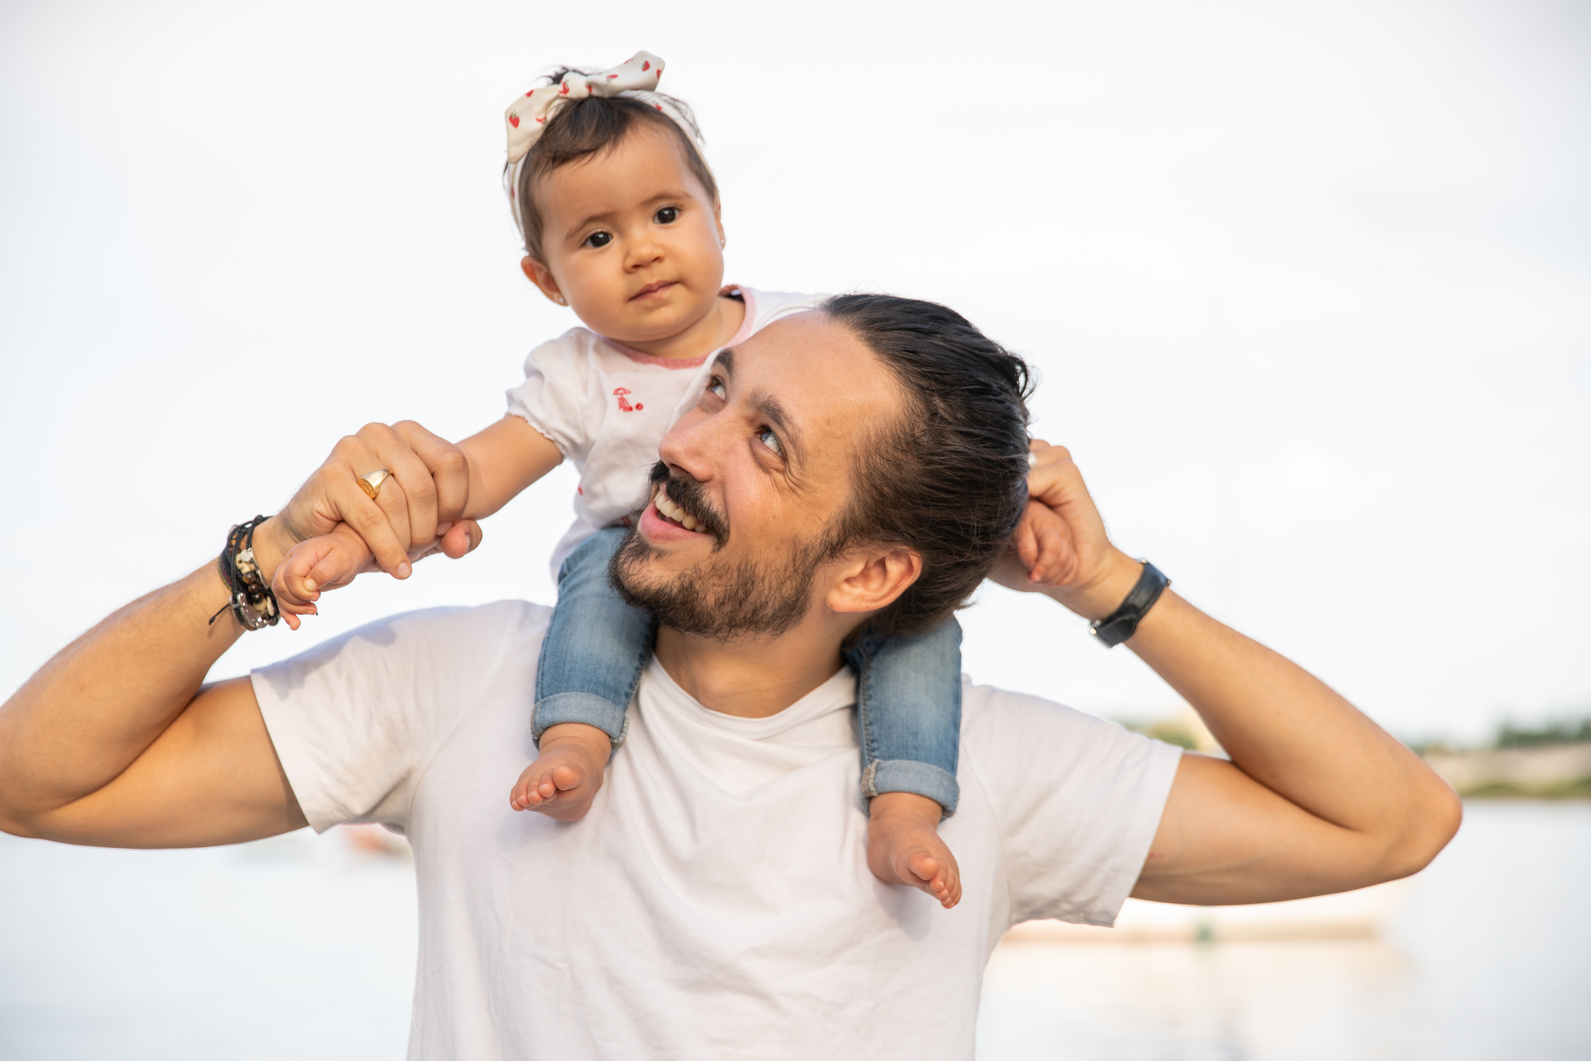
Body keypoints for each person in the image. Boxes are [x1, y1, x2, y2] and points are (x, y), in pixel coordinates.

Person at [0, 295, 1461, 1058]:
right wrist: (262, 563)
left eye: (767, 444)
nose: (685, 444)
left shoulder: (981, 776)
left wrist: (1105, 588)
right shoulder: (460, 683)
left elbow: (1389, 824)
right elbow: (33, 779)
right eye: (717, 391)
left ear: (871, 574)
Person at [268, 53, 1017, 906]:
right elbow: (474, 473)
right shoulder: (577, 374)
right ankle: (578, 740)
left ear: (717, 216)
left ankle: (906, 808)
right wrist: (344, 536)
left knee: (920, 631)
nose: (642, 251)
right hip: (634, 546)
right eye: (596, 237)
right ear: (546, 279)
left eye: (666, 212)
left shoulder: (794, 328)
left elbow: (909, 442)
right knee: (594, 590)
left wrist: (1007, 502)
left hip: (793, 571)